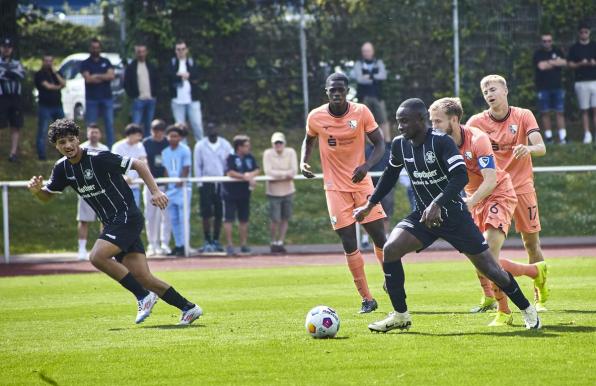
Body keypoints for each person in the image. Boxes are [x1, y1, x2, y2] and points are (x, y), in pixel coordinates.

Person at [354, 98, 541, 332]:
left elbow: (460, 176)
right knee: (391, 249)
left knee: (491, 269)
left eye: (404, 121)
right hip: (423, 216)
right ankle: (401, 315)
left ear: (421, 121)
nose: (399, 127)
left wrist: (438, 203)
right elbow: (389, 176)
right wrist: (369, 205)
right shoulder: (400, 145)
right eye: (397, 122)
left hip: (454, 215)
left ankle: (526, 309)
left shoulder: (441, 142)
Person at [28, 118, 202, 325]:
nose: (67, 145)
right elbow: (48, 195)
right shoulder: (62, 168)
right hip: (112, 223)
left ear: (78, 139)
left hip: (127, 216)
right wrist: (37, 191)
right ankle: (188, 308)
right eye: (61, 142)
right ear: (55, 146)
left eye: (71, 139)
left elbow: (138, 164)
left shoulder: (98, 157)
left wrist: (155, 191)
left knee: (96, 257)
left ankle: (143, 297)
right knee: (143, 277)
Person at [429, 97, 549, 326]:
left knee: (489, 253)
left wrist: (471, 202)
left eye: (438, 121)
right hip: (472, 197)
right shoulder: (439, 144)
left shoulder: (478, 138)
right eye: (431, 121)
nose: (433, 126)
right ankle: (534, 271)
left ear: (454, 120)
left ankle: (504, 312)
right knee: (479, 259)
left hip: (498, 193)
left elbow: (491, 180)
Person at [301, 72, 387, 314]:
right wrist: (303, 162)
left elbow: (380, 143)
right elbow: (307, 140)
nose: (337, 93)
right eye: (332, 90)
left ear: (347, 91)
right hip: (335, 189)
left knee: (380, 238)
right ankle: (367, 299)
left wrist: (367, 166)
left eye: (341, 89)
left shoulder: (361, 112)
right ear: (326, 92)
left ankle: (389, 277)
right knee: (349, 243)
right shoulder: (316, 116)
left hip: (362, 186)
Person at [467, 74, 548, 311]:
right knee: (480, 246)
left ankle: (540, 292)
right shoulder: (475, 122)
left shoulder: (523, 115)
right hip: (492, 190)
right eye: (485, 92)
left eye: (493, 89)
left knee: (531, 243)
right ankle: (489, 297)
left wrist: (528, 147)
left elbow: (541, 148)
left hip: (521, 187)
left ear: (505, 91)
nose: (489, 94)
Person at [193, 122, 232, 253]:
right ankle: (207, 239)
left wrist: (227, 179)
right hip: (206, 182)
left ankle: (216, 240)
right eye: (209, 129)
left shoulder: (225, 144)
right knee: (206, 214)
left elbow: (229, 162)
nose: (212, 131)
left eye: (214, 128)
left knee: (219, 213)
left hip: (221, 182)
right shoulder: (200, 146)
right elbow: (197, 165)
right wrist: (200, 183)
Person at [77, 124, 109, 260]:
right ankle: (82, 249)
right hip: (86, 189)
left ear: (100, 134)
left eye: (96, 132)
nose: (94, 135)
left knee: (105, 219)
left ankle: (104, 249)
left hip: (102, 189)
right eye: (92, 132)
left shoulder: (104, 149)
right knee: (84, 220)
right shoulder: (81, 148)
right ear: (88, 134)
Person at [223, 135, 259, 256]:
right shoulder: (230, 157)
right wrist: (245, 177)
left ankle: (243, 244)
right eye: (246, 145)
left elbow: (257, 169)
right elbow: (230, 172)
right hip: (230, 193)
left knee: (244, 219)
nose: (249, 147)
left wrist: (250, 174)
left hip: (244, 193)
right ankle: (229, 245)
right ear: (239, 147)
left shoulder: (250, 157)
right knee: (229, 219)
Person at [263, 132, 298, 253]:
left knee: (285, 218)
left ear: (284, 143)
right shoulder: (268, 154)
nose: (278, 145)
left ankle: (280, 241)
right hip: (273, 192)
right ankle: (273, 241)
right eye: (276, 143)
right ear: (272, 144)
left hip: (288, 190)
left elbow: (294, 171)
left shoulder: (291, 152)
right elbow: (268, 172)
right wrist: (284, 174)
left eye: (280, 142)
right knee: (275, 219)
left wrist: (279, 174)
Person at [162, 124, 192, 257]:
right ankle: (179, 245)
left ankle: (185, 245)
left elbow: (186, 167)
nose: (173, 138)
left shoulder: (185, 149)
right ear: (167, 137)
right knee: (173, 218)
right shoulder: (165, 152)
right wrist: (169, 183)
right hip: (171, 188)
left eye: (176, 136)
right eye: (171, 136)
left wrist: (181, 180)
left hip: (183, 188)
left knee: (183, 217)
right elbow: (166, 169)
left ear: (180, 137)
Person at [142, 119, 172, 256]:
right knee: (150, 215)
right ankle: (152, 244)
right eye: (155, 130)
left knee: (165, 215)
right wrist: (150, 182)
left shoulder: (168, 142)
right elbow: (143, 162)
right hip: (150, 185)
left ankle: (164, 243)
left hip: (165, 184)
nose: (158, 134)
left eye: (160, 131)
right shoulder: (146, 143)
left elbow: (169, 162)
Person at [352, 42, 390, 143]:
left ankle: (387, 142)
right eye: (364, 51)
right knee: (364, 121)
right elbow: (360, 79)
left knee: (383, 119)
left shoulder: (379, 62)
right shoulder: (358, 63)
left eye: (368, 50)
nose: (366, 53)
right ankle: (368, 144)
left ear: (372, 51)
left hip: (378, 96)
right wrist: (375, 77)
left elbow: (383, 76)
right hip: (363, 97)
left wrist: (369, 77)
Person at [532, 33, 567, 144]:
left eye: (549, 41)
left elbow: (564, 62)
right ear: (541, 42)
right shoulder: (538, 54)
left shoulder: (557, 51)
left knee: (559, 112)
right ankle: (549, 138)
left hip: (557, 87)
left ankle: (563, 138)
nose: (547, 43)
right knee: (545, 113)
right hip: (543, 88)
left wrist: (549, 63)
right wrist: (554, 62)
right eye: (545, 41)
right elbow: (541, 66)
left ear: (552, 41)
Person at [81, 38, 115, 148]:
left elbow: (111, 76)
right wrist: (103, 76)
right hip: (92, 99)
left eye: (97, 47)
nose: (95, 50)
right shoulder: (85, 63)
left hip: (107, 97)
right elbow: (88, 79)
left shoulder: (106, 61)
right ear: (90, 49)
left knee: (109, 125)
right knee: (91, 126)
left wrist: (96, 76)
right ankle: (89, 149)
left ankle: (111, 150)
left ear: (100, 48)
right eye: (93, 48)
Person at [567, 23, 596, 144]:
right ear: (579, 33)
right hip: (581, 82)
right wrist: (580, 64)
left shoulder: (594, 46)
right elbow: (570, 64)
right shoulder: (574, 48)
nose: (584, 34)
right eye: (582, 32)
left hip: (594, 81)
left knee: (595, 109)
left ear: (589, 33)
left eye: (586, 32)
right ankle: (587, 134)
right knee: (584, 109)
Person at [169, 40, 203, 141]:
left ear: (187, 50)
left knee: (197, 124)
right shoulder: (172, 63)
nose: (181, 51)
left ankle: (200, 147)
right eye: (178, 49)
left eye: (183, 49)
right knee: (180, 127)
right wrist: (180, 78)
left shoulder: (192, 62)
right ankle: (183, 149)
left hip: (192, 99)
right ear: (175, 51)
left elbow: (198, 75)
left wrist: (189, 76)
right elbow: (169, 77)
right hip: (177, 101)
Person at [35, 54, 65, 160]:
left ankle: (63, 153)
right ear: (43, 61)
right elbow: (47, 86)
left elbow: (63, 83)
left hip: (58, 106)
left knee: (62, 130)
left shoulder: (56, 73)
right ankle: (41, 155)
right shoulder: (39, 74)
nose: (48, 63)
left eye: (50, 61)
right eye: (46, 61)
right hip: (45, 106)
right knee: (42, 131)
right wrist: (58, 87)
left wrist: (55, 72)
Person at [124, 43, 159, 137]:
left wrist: (155, 94)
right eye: (139, 52)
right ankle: (134, 145)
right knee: (135, 126)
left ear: (146, 52)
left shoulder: (151, 66)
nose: (141, 54)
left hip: (151, 99)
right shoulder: (131, 67)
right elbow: (126, 83)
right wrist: (133, 95)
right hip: (138, 100)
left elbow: (157, 80)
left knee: (149, 126)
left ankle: (147, 146)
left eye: (143, 51)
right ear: (135, 53)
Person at [0, 37, 25, 162]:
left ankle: (13, 153)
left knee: (16, 124)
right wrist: (9, 73)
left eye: (8, 47)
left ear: (11, 49)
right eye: (4, 47)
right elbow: (4, 75)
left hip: (15, 97)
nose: (6, 50)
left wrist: (7, 73)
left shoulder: (17, 62)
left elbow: (21, 74)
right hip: (2, 96)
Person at [111, 124, 147, 208]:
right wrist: (122, 177)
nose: (140, 138)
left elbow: (144, 163)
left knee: (134, 213)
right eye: (138, 135)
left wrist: (147, 177)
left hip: (134, 186)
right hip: (119, 187)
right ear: (130, 134)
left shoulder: (140, 146)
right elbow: (113, 165)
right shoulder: (117, 147)